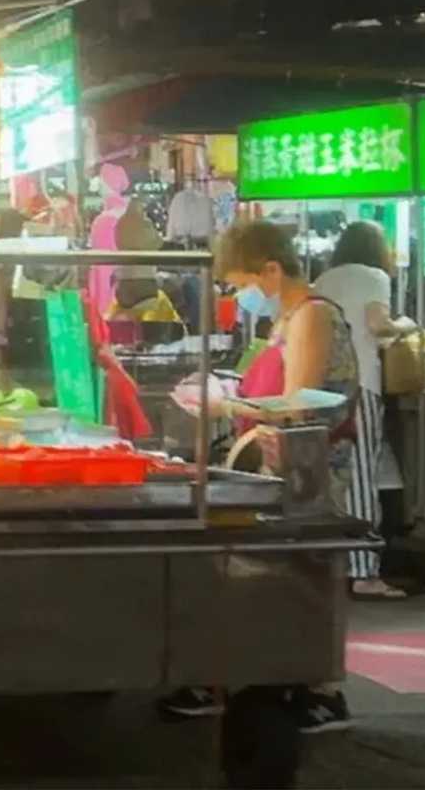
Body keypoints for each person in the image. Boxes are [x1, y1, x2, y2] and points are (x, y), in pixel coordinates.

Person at [161, 220, 359, 732]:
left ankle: (315, 691)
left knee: (301, 578)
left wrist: (223, 406)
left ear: (271, 269)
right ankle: (252, 677)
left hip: (307, 473)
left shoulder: (313, 316)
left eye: (242, 283)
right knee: (265, 580)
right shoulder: (285, 319)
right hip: (274, 468)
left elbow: (297, 407)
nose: (240, 295)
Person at [315, 221, 412, 596]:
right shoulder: (374, 276)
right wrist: (405, 325)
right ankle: (363, 570)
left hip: (324, 389)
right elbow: (378, 325)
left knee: (336, 475)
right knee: (360, 477)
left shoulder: (325, 279)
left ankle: (332, 561)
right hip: (361, 386)